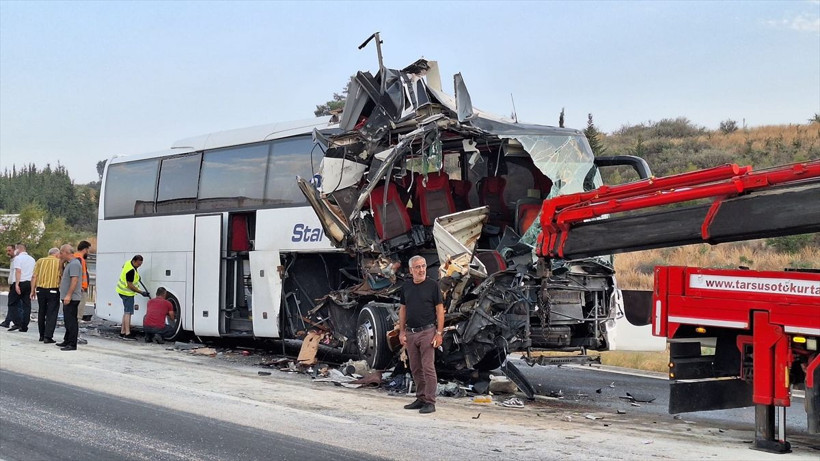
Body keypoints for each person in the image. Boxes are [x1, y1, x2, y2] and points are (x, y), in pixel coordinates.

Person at [398, 255, 445, 414]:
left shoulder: (433, 286)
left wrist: (439, 333)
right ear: (411, 270)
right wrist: (402, 331)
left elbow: (440, 310)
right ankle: (421, 398)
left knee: (428, 367)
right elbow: (403, 309)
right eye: (417, 267)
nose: (421, 270)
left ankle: (430, 402)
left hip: (427, 332)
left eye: (423, 266)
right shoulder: (406, 287)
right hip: (411, 333)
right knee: (415, 367)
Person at [30, 247, 62, 343]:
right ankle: (48, 336)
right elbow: (61, 276)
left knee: (42, 312)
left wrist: (33, 290)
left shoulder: (40, 261)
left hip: (40, 290)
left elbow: (34, 276)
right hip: (53, 290)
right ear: (57, 254)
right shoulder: (59, 262)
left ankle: (41, 335)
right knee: (51, 313)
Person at [56, 244, 82, 351]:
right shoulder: (69, 264)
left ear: (66, 252)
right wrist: (61, 264)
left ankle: (72, 343)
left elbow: (74, 280)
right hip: (67, 297)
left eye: (61, 253)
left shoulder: (75, 264)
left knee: (71, 321)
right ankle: (67, 340)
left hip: (72, 297)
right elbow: (63, 276)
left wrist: (69, 295)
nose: (60, 255)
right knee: (67, 320)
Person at [116, 255, 149, 339]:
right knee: (128, 313)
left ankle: (122, 332)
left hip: (121, 291)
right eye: (138, 264)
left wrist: (137, 276)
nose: (139, 265)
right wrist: (141, 292)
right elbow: (130, 285)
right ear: (134, 261)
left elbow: (123, 267)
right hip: (127, 293)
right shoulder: (131, 270)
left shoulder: (128, 263)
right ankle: (127, 333)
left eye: (141, 264)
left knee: (126, 312)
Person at [9, 243, 35, 332]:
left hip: (20, 282)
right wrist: (33, 287)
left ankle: (17, 322)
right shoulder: (32, 259)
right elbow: (34, 274)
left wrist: (16, 284)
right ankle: (24, 326)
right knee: (27, 305)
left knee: (12, 303)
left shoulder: (18, 258)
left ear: (18, 249)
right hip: (29, 283)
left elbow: (18, 271)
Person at [74, 240, 91, 322]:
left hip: (79, 287)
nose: (88, 252)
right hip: (81, 288)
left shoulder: (75, 257)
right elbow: (78, 274)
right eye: (88, 250)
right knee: (80, 305)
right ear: (85, 249)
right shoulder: (79, 259)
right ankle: (77, 319)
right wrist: (80, 286)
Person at [1, 244, 17, 328]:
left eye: (9, 250)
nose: (8, 253)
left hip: (16, 284)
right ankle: (8, 320)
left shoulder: (17, 260)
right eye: (7, 251)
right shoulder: (12, 260)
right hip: (13, 284)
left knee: (15, 304)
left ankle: (15, 322)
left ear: (15, 250)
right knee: (12, 304)